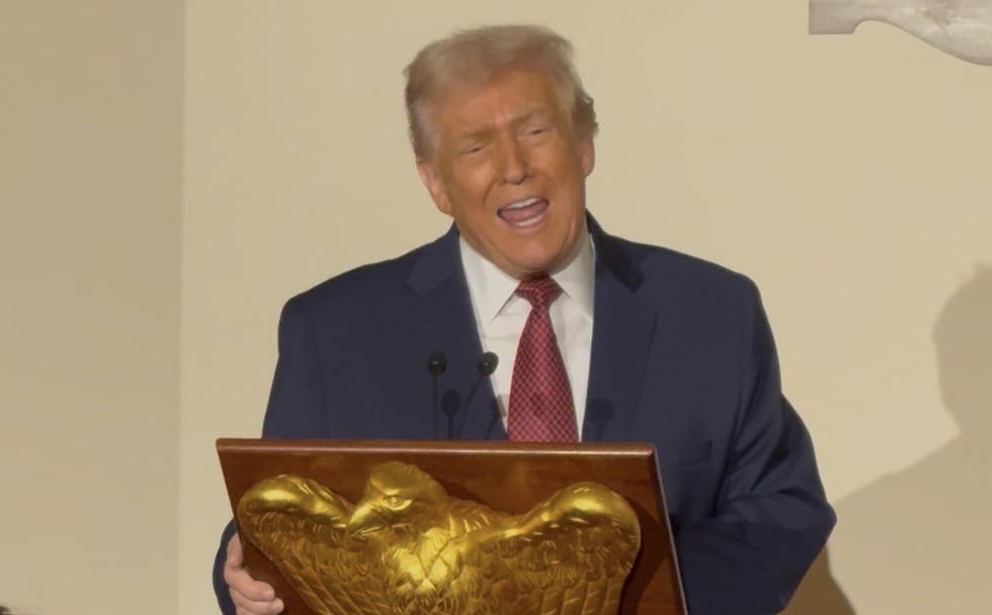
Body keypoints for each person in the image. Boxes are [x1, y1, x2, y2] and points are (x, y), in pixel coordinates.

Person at [213, 24, 835, 615]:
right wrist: (242, 572)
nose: (513, 167)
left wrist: (640, 600)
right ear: (434, 182)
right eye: (476, 146)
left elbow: (781, 508)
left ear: (584, 142)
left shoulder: (710, 314)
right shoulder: (336, 334)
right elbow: (276, 519)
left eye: (535, 131)